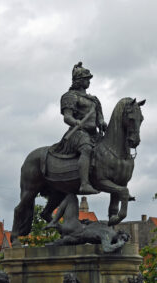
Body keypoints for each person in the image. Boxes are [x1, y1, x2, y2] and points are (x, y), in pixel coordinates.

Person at [54, 62, 108, 195]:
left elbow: (99, 117)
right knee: (87, 148)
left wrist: (102, 123)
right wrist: (75, 121)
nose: (89, 81)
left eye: (89, 79)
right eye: (86, 79)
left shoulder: (94, 99)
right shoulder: (70, 96)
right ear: (79, 80)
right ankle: (84, 184)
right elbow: (67, 117)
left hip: (93, 133)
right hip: (77, 133)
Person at [45, 193, 130, 252]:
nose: (122, 239)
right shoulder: (108, 228)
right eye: (123, 237)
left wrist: (119, 244)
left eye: (124, 239)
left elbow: (107, 248)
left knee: (71, 197)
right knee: (70, 196)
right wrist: (89, 222)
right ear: (120, 233)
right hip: (79, 228)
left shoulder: (108, 236)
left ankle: (53, 221)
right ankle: (52, 221)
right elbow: (95, 224)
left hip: (77, 231)